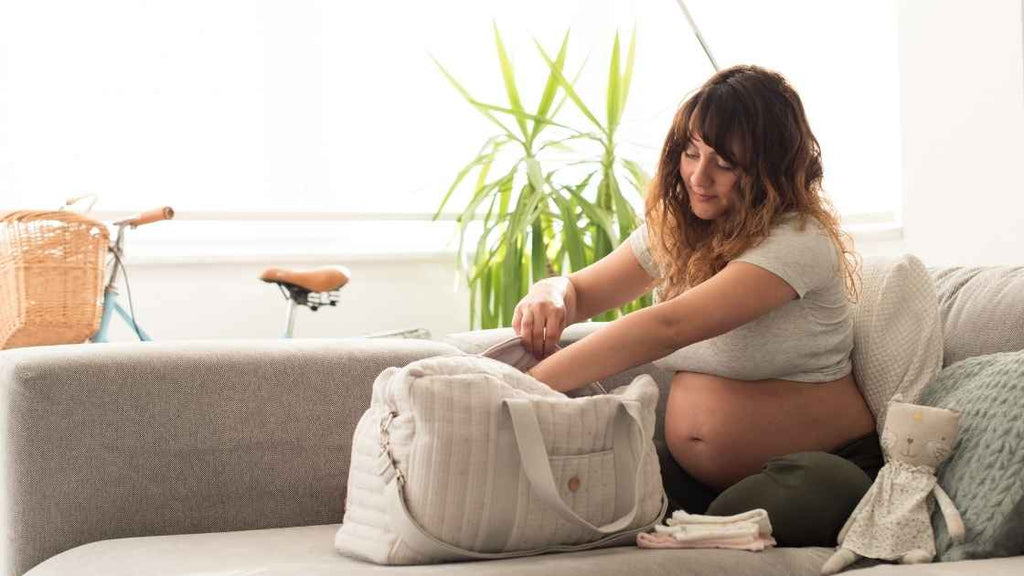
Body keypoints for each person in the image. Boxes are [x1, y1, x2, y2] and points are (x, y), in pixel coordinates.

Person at [512, 65, 881, 548]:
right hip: (698, 479)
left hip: (823, 466)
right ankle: (695, 527)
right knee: (582, 488)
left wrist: (523, 387)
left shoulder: (798, 239)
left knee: (814, 492)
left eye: (724, 164)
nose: (698, 177)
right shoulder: (680, 228)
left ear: (768, 170)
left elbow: (670, 324)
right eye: (691, 152)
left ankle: (696, 528)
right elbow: (580, 292)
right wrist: (549, 291)